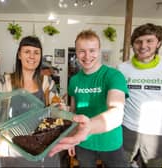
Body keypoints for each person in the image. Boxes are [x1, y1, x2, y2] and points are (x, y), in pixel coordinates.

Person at [50, 29, 129, 168]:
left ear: (99, 51)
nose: (87, 56)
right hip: (84, 143)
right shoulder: (74, 80)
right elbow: (74, 110)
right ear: (76, 52)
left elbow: (117, 112)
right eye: (81, 51)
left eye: (92, 50)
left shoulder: (114, 75)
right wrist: (65, 113)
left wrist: (87, 128)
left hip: (110, 142)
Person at [0, 36, 60, 167]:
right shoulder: (4, 82)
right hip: (14, 151)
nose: (32, 56)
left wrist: (61, 110)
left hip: (44, 149)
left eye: (36, 52)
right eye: (27, 51)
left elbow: (57, 112)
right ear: (19, 55)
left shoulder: (47, 83)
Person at [117, 23, 162, 168]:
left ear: (159, 43)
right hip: (128, 128)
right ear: (133, 45)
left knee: (154, 165)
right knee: (122, 164)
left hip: (157, 132)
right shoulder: (122, 69)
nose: (143, 46)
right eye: (138, 41)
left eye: (149, 40)